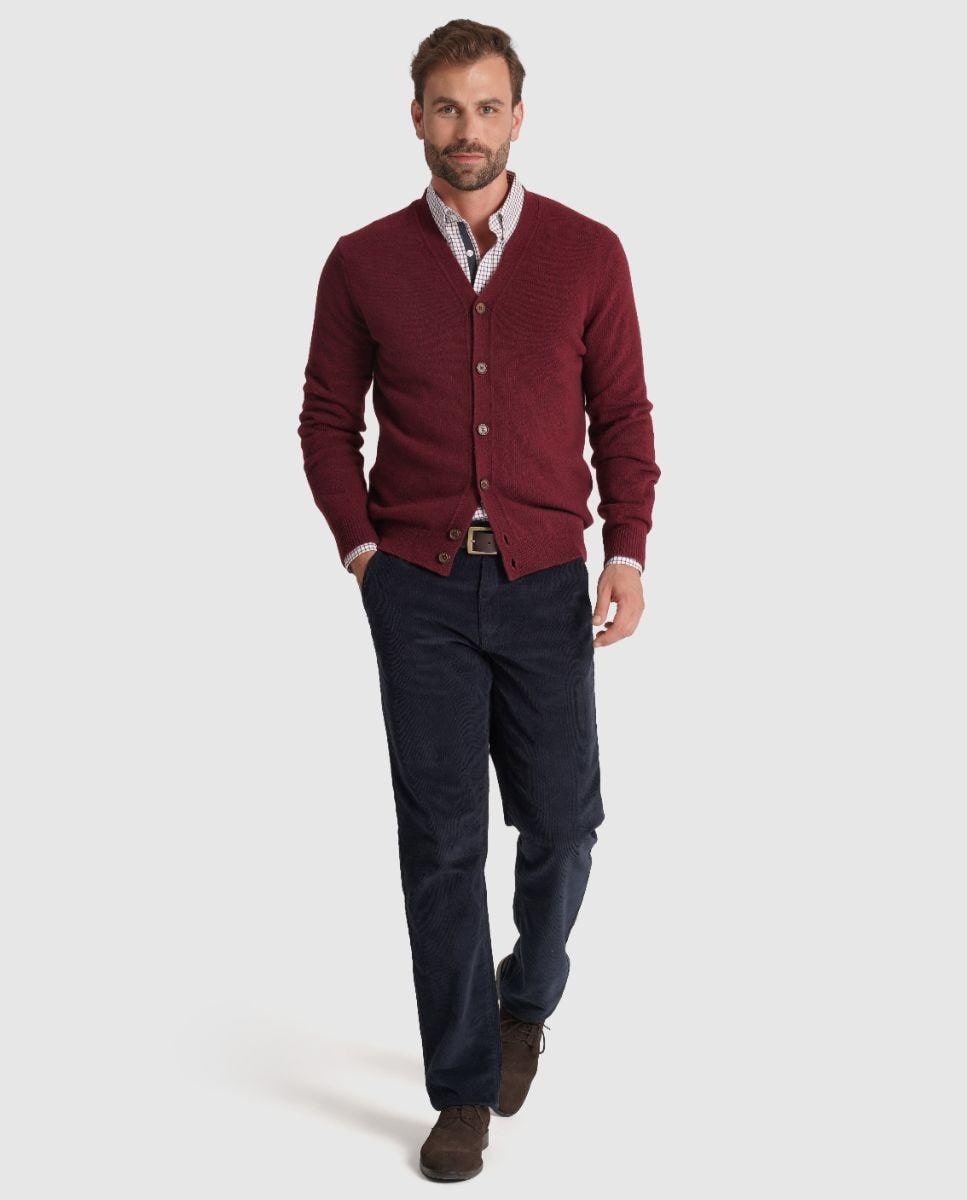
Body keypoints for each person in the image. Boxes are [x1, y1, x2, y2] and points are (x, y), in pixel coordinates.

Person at [298, 18, 660, 1183]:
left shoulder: (587, 253)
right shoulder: (362, 261)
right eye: (447, 107)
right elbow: (325, 420)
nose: (468, 129)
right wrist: (364, 553)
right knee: (442, 846)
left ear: (518, 115)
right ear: (416, 116)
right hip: (419, 590)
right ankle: (460, 1087)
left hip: (546, 582)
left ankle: (526, 1000)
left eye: (487, 106)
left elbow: (624, 417)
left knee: (563, 823)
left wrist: (625, 552)